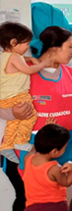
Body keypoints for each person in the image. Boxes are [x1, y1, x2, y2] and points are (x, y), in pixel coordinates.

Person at [2, 26, 72, 211]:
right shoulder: (22, 71)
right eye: (69, 47)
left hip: (65, 147)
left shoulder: (71, 74)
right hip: (28, 150)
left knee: (55, 199)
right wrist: (13, 113)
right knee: (28, 200)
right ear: (54, 48)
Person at [0, 22, 51, 162]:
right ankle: (20, 141)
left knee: (14, 122)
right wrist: (42, 64)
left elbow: (18, 62)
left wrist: (28, 59)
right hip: (17, 96)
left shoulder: (5, 56)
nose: (28, 47)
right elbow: (28, 70)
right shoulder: (14, 58)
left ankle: (7, 145)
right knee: (30, 115)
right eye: (26, 44)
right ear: (13, 42)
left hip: (6, 97)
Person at [22, 124, 72, 211]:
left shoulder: (27, 158)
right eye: (65, 148)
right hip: (54, 208)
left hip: (32, 209)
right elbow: (67, 182)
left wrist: (44, 130)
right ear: (54, 151)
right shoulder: (54, 169)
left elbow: (34, 149)